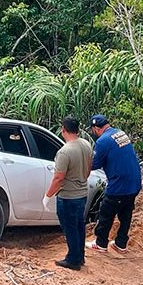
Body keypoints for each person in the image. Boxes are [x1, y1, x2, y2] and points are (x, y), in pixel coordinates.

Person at [86, 114, 142, 253]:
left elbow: (95, 164)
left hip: (119, 185)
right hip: (134, 182)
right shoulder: (120, 133)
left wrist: (82, 162)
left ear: (95, 128)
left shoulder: (103, 141)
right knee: (125, 214)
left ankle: (101, 243)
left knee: (106, 212)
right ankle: (121, 244)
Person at [43, 116, 92, 271]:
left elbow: (58, 178)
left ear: (63, 130)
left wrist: (48, 195)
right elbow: (89, 167)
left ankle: (73, 259)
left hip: (68, 196)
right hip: (82, 193)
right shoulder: (86, 144)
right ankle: (80, 256)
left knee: (70, 228)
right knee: (79, 226)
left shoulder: (64, 152)